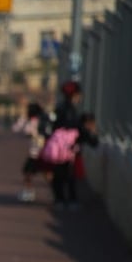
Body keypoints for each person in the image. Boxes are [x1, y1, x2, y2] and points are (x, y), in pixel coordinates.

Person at [49, 81, 84, 212]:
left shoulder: (60, 107)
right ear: (74, 95)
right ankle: (69, 199)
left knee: (59, 173)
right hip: (68, 147)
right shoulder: (70, 110)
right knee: (69, 174)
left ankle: (60, 199)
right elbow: (75, 128)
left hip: (58, 147)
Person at [12, 101, 49, 202]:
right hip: (41, 151)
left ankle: (29, 193)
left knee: (28, 172)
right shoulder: (42, 120)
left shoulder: (34, 121)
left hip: (36, 152)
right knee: (44, 172)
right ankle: (55, 193)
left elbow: (20, 129)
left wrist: (23, 119)